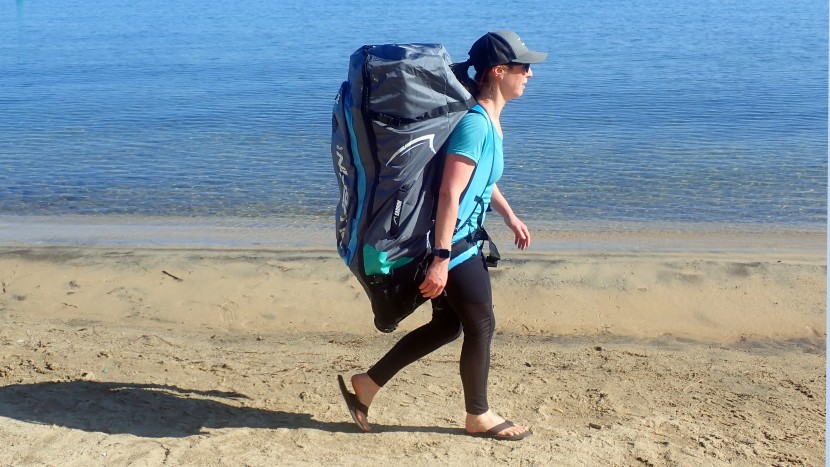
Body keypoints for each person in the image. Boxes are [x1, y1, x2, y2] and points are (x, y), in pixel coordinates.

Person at [337, 30, 547, 441]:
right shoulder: (474, 124)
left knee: (449, 326)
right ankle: (479, 416)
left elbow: (480, 180)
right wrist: (440, 257)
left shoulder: (485, 119)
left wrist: (508, 215)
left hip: (459, 240)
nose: (530, 74)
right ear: (499, 71)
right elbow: (450, 191)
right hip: (456, 246)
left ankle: (368, 384)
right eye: (524, 67)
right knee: (481, 324)